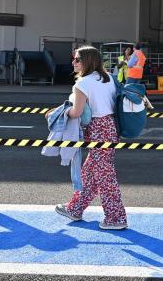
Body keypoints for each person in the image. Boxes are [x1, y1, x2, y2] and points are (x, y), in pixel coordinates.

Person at [51, 46, 127, 229]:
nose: (73, 62)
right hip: (110, 126)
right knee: (89, 173)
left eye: (77, 59)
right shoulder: (107, 78)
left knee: (105, 176)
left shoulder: (82, 83)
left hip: (97, 129)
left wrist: (56, 113)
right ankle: (75, 209)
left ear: (87, 61)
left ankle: (116, 218)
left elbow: (76, 112)